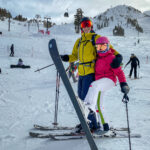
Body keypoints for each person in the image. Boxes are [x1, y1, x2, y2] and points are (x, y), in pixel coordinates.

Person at [61, 17, 123, 101]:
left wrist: (118, 56)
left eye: (88, 24)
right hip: (81, 72)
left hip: (91, 71)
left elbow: (108, 48)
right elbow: (75, 56)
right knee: (80, 95)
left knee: (86, 96)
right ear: (81, 27)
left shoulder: (96, 38)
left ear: (91, 26)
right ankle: (85, 111)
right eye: (84, 25)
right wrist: (67, 58)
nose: (86, 27)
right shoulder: (79, 41)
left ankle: (91, 113)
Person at [82, 36, 129, 132]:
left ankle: (88, 106)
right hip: (100, 83)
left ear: (107, 46)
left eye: (103, 47)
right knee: (99, 105)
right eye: (98, 47)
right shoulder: (97, 58)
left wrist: (123, 84)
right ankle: (105, 125)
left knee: (94, 85)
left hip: (109, 80)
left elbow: (119, 73)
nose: (101, 49)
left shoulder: (111, 57)